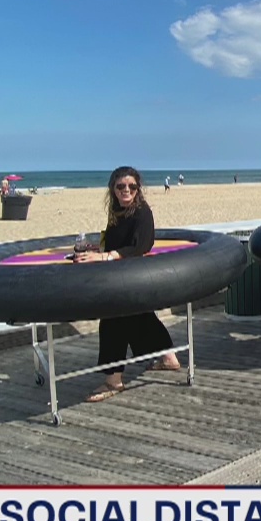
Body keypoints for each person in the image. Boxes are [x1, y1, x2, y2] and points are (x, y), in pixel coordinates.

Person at [80, 166, 180, 403]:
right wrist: (100, 250)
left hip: (135, 276)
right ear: (112, 189)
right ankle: (169, 358)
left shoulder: (142, 212)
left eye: (131, 186)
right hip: (121, 274)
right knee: (141, 317)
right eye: (121, 186)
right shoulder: (116, 211)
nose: (126, 190)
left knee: (114, 320)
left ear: (138, 189)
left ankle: (113, 380)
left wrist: (104, 257)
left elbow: (141, 246)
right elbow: (117, 243)